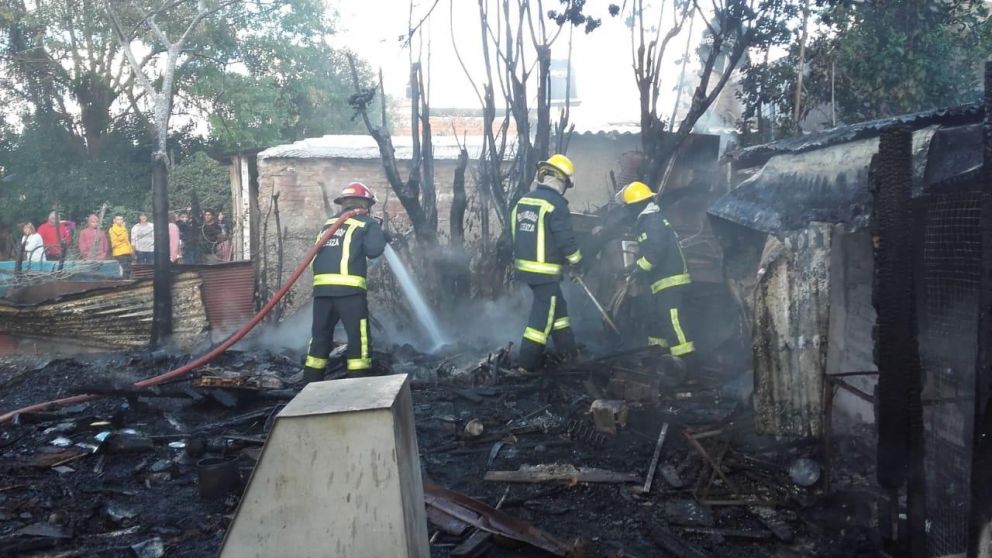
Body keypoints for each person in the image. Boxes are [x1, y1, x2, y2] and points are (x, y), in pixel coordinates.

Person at [302, 182, 387, 383]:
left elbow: (316, 255)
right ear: (366, 204)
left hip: (322, 291)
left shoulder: (329, 224)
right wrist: (382, 235)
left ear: (344, 203)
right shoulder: (367, 223)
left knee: (320, 335)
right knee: (359, 337)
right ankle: (358, 383)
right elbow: (374, 250)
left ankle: (310, 383)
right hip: (349, 291)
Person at [511, 154, 583, 373]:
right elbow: (564, 238)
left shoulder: (524, 201)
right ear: (562, 180)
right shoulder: (556, 204)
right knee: (541, 319)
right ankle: (526, 365)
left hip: (526, 270)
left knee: (558, 309)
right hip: (545, 273)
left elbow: (512, 234)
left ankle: (569, 353)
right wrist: (577, 261)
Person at [620, 181, 696, 363]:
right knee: (656, 319)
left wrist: (640, 269)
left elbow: (656, 250)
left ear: (635, 205)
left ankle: (686, 360)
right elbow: (649, 251)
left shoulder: (652, 220)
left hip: (671, 281)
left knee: (672, 319)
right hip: (660, 282)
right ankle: (657, 356)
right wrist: (633, 268)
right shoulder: (648, 220)